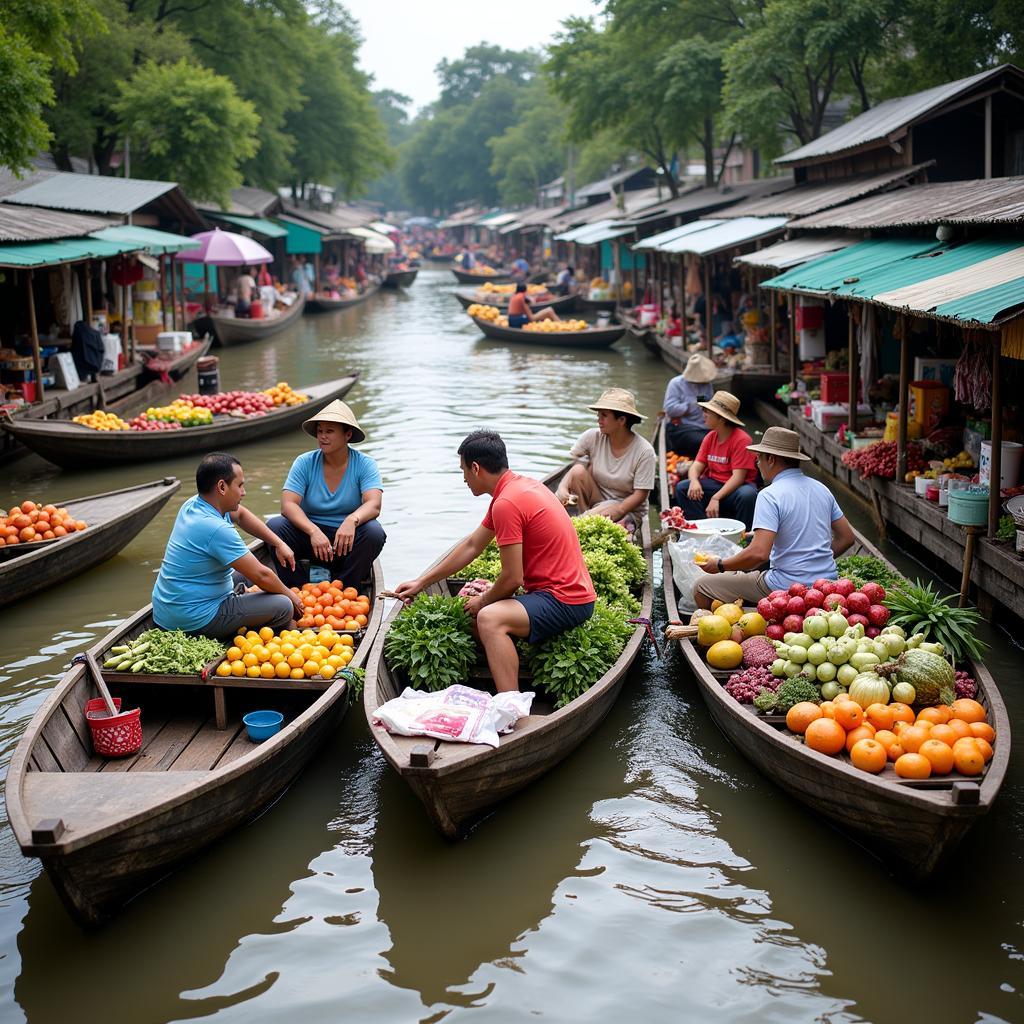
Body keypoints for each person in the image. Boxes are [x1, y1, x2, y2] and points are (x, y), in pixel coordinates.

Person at [394, 431, 596, 693]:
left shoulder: (507, 502)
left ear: (475, 468)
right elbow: (472, 545)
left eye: (463, 471)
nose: (464, 479)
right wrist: (422, 582)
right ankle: (508, 662)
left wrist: (485, 600)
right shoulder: (518, 487)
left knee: (488, 618)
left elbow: (513, 578)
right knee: (476, 610)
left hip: (566, 600)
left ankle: (510, 705)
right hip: (560, 594)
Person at [694, 426, 855, 608]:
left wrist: (721, 565)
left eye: (759, 459)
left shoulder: (769, 495)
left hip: (785, 587)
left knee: (701, 587)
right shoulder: (821, 489)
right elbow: (847, 538)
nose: (757, 464)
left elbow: (759, 554)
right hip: (826, 586)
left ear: (771, 459)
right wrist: (812, 561)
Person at [152, 453, 303, 640]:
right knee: (283, 605)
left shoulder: (194, 504)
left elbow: (240, 515)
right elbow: (262, 575)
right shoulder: (215, 528)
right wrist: (293, 598)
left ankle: (244, 603)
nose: (243, 492)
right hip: (195, 619)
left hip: (168, 611)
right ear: (222, 487)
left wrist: (278, 542)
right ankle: (255, 631)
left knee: (247, 575)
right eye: (240, 485)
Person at [267, 400, 386, 589]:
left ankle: (345, 589)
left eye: (329, 431)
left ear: (347, 435)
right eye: (320, 431)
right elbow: (288, 505)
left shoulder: (365, 464)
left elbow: (374, 504)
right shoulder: (304, 462)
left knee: (373, 533)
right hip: (310, 538)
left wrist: (352, 520)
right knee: (275, 527)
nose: (322, 436)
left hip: (345, 541)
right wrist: (313, 531)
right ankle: (299, 590)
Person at [556, 388, 656, 531]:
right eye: (598, 415)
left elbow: (640, 495)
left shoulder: (644, 452)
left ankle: (581, 523)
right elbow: (575, 467)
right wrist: (562, 488)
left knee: (593, 521)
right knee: (578, 472)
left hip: (626, 508)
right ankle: (585, 519)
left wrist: (619, 510)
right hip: (597, 500)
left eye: (604, 415)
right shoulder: (592, 437)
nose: (599, 419)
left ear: (621, 420)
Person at [674, 390, 758, 529]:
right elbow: (696, 466)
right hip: (714, 484)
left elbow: (738, 478)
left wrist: (716, 498)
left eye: (708, 412)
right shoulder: (710, 436)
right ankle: (700, 528)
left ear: (721, 419)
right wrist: (694, 481)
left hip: (736, 488)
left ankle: (744, 534)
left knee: (747, 495)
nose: (704, 414)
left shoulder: (742, 440)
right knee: (682, 487)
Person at [663, 353, 717, 456]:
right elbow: (670, 409)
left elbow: (710, 403)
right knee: (701, 442)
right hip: (683, 426)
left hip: (705, 426)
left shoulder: (707, 384)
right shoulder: (676, 383)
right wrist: (690, 406)